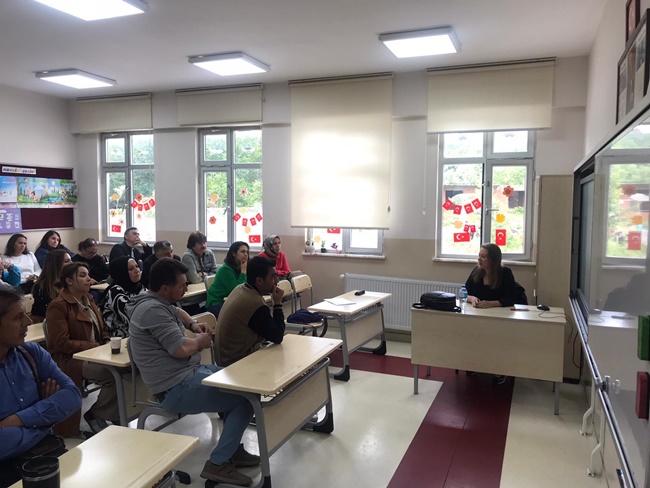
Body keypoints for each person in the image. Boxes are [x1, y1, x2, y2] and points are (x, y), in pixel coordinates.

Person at [126, 258, 259, 486]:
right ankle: (218, 463)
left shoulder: (156, 301)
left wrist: (193, 325)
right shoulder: (151, 310)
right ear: (165, 288)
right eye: (182, 285)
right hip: (174, 387)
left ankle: (231, 451)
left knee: (241, 383)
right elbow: (180, 349)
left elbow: (177, 311)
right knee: (246, 398)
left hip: (188, 373)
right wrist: (200, 341)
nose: (186, 289)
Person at [0, 290, 82, 487]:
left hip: (44, 455)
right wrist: (46, 421)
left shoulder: (31, 353)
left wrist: (20, 419)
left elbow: (72, 396)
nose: (28, 322)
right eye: (18, 317)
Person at [46, 263, 120, 437]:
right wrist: (94, 347)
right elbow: (62, 343)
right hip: (70, 359)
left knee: (126, 370)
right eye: (82, 275)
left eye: (88, 275)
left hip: (95, 353)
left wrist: (107, 342)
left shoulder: (88, 299)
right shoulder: (58, 305)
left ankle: (114, 413)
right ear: (69, 281)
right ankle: (97, 415)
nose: (88, 279)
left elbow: (102, 328)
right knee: (112, 374)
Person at [217, 256, 285, 367]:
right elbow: (278, 336)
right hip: (236, 364)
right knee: (282, 362)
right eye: (273, 277)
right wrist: (277, 304)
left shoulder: (241, 288)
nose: (277, 281)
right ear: (259, 280)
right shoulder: (254, 303)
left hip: (227, 358)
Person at [464, 242, 517, 385]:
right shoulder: (476, 272)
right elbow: (464, 292)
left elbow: (512, 298)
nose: (479, 260)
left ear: (493, 260)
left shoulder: (505, 273)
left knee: (497, 338)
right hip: (478, 316)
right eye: (479, 256)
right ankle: (473, 364)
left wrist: (492, 303)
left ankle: (500, 370)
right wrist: (472, 298)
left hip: (500, 318)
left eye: (483, 257)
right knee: (471, 334)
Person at [100, 257, 146, 338]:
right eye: (131, 269)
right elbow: (133, 318)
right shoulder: (115, 292)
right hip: (121, 337)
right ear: (122, 272)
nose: (137, 271)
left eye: (137, 266)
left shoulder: (140, 287)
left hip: (140, 334)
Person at [206, 241, 249, 319]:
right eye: (242, 252)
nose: (246, 254)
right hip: (217, 303)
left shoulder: (242, 267)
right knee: (243, 316)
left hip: (231, 301)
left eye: (247, 252)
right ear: (233, 253)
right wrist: (243, 272)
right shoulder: (225, 269)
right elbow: (237, 290)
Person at [31, 249, 72, 321]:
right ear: (56, 264)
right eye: (66, 261)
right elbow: (47, 312)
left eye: (70, 260)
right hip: (46, 321)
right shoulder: (42, 286)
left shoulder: (69, 281)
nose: (71, 263)